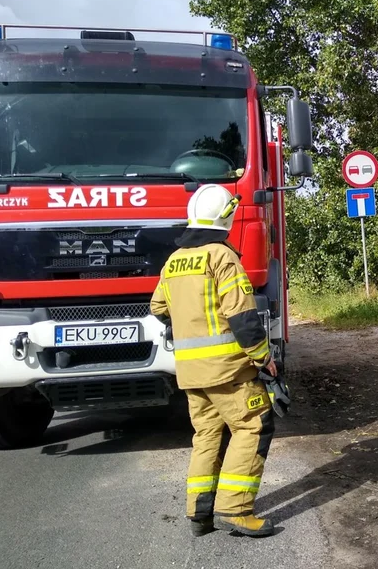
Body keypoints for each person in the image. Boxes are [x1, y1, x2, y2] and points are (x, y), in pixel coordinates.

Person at [150, 184, 278, 538]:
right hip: (228, 368)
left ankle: (200, 513)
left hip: (191, 373)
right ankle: (235, 508)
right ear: (227, 217)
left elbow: (158, 308)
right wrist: (263, 358)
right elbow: (242, 316)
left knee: (207, 435)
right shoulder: (222, 257)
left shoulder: (174, 262)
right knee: (253, 426)